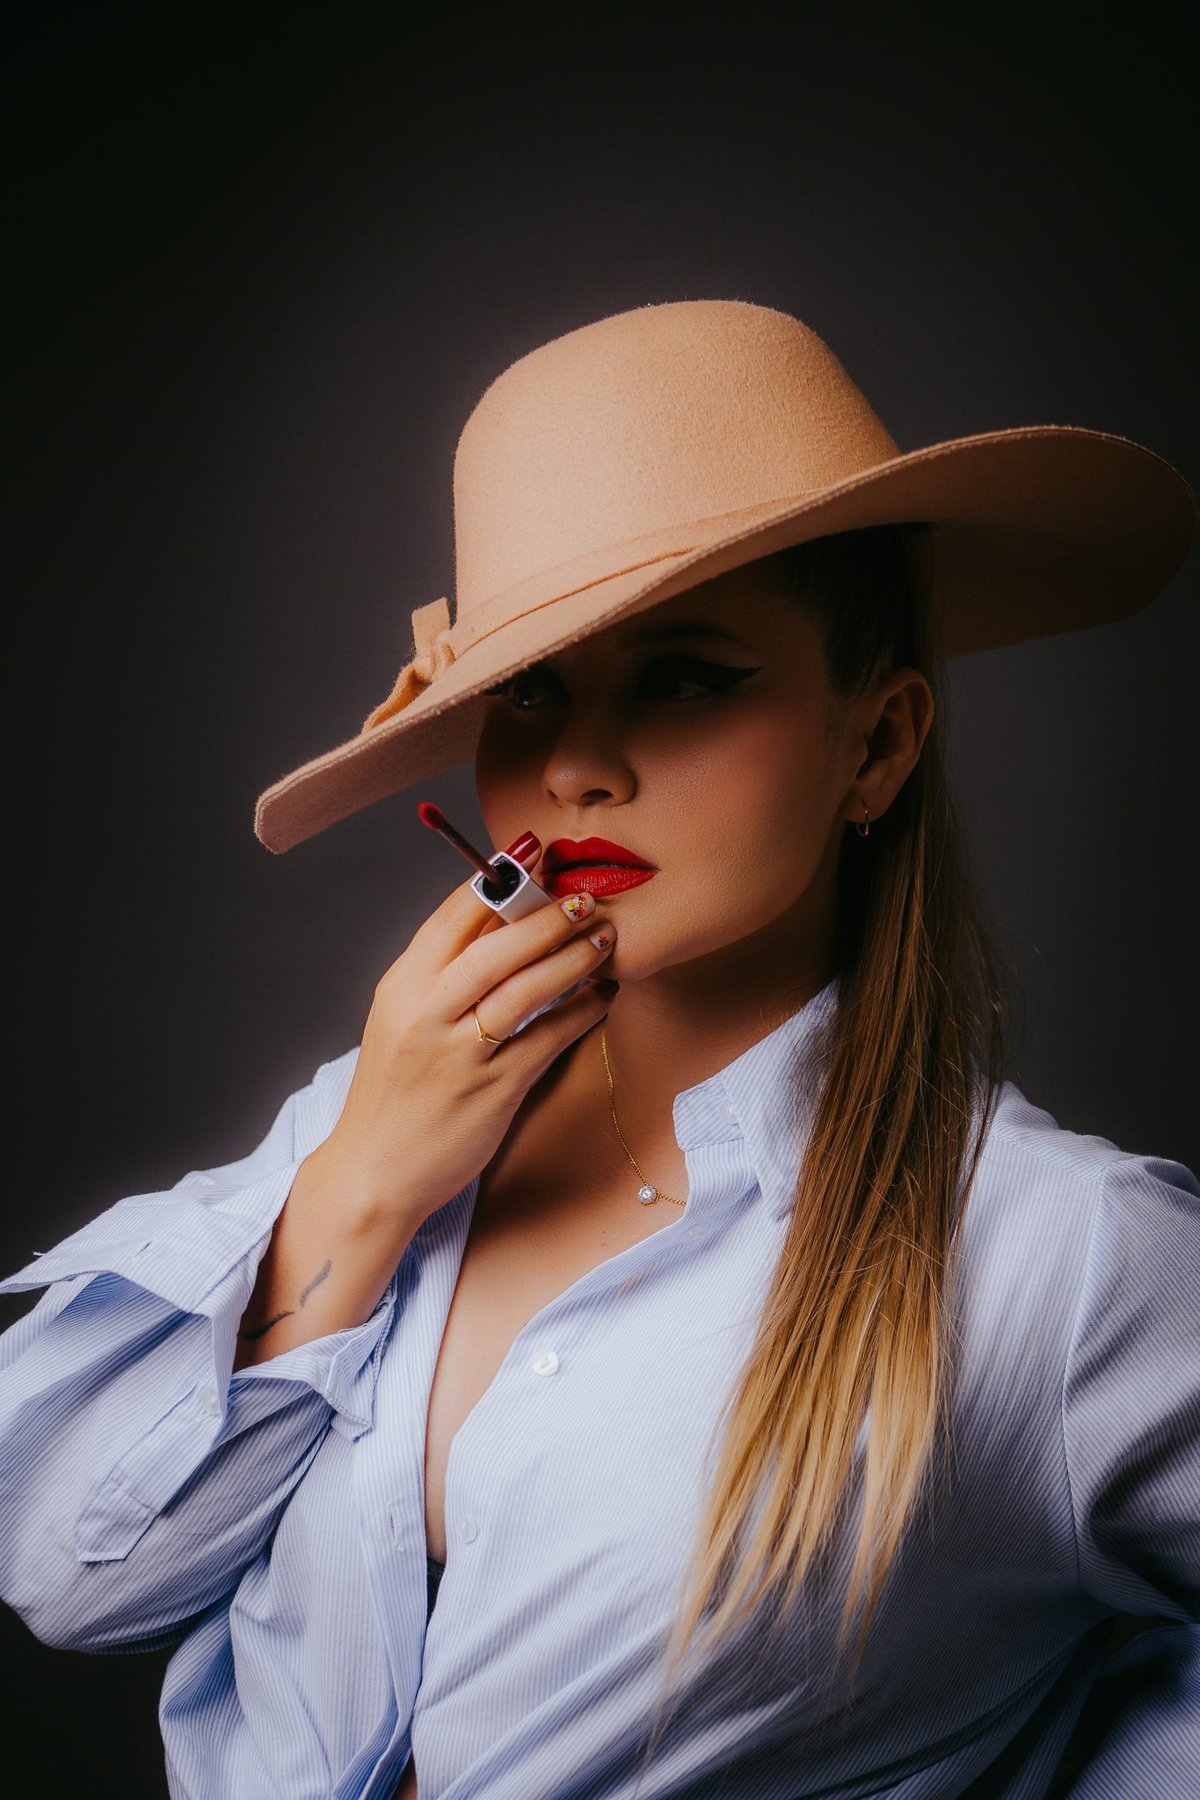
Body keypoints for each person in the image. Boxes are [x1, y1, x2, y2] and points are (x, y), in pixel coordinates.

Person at [1, 299, 1196, 1800]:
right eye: (530, 691)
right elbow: (71, 1577)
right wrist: (363, 1185)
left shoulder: (1065, 1261)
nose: (576, 764)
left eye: (686, 677)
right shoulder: (366, 1127)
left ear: (880, 743)